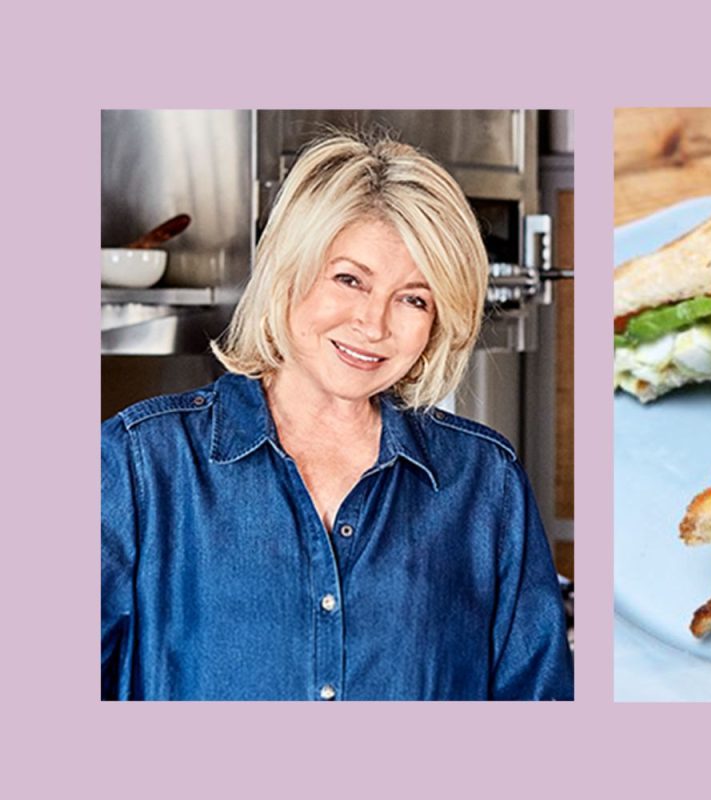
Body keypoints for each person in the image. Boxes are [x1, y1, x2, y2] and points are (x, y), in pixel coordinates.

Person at [101, 134, 573, 700]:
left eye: (414, 299)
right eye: (349, 279)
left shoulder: (485, 482)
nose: (373, 325)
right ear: (288, 275)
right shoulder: (138, 464)